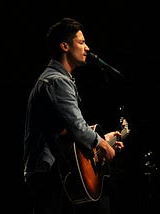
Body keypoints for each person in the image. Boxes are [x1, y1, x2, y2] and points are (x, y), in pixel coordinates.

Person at [22, 17, 125, 214]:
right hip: (49, 171)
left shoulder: (61, 80)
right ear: (64, 46)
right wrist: (102, 144)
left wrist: (103, 140)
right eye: (81, 42)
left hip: (55, 170)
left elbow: (69, 133)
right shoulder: (56, 81)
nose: (87, 48)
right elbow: (77, 127)